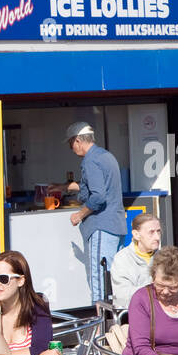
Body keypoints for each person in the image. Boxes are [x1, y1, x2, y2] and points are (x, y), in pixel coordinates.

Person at [65, 121, 126, 304]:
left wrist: (80, 215)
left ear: (77, 140)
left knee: (100, 280)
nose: (71, 148)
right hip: (116, 225)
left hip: (101, 225)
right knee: (114, 280)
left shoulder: (90, 161)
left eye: (70, 144)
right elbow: (93, 188)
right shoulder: (105, 156)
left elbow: (98, 197)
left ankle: (102, 325)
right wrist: (64, 186)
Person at [109, 213, 162, 308]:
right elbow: (123, 297)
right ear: (136, 235)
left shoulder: (164, 256)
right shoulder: (122, 259)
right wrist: (156, 289)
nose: (157, 237)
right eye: (151, 232)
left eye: (158, 232)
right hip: (134, 313)